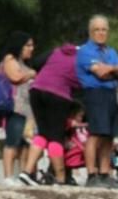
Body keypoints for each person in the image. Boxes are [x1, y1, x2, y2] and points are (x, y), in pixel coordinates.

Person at [18, 42, 82, 186]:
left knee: (43, 134)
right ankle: (60, 179)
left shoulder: (57, 50)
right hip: (58, 95)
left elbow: (36, 63)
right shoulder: (83, 58)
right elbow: (83, 82)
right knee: (56, 137)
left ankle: (27, 172)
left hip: (36, 90)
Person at [76, 15, 118, 188]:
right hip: (95, 94)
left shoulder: (111, 51)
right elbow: (100, 73)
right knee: (96, 134)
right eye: (97, 29)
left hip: (113, 94)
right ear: (91, 32)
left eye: (104, 29)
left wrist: (111, 68)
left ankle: (105, 173)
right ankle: (92, 174)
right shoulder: (85, 51)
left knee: (109, 135)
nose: (101, 33)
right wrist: (114, 69)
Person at [0, 32, 36, 186]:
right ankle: (7, 176)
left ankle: (23, 175)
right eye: (28, 45)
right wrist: (31, 74)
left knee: (25, 144)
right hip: (16, 108)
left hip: (27, 110)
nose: (31, 49)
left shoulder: (24, 64)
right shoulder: (9, 59)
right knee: (12, 142)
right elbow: (15, 77)